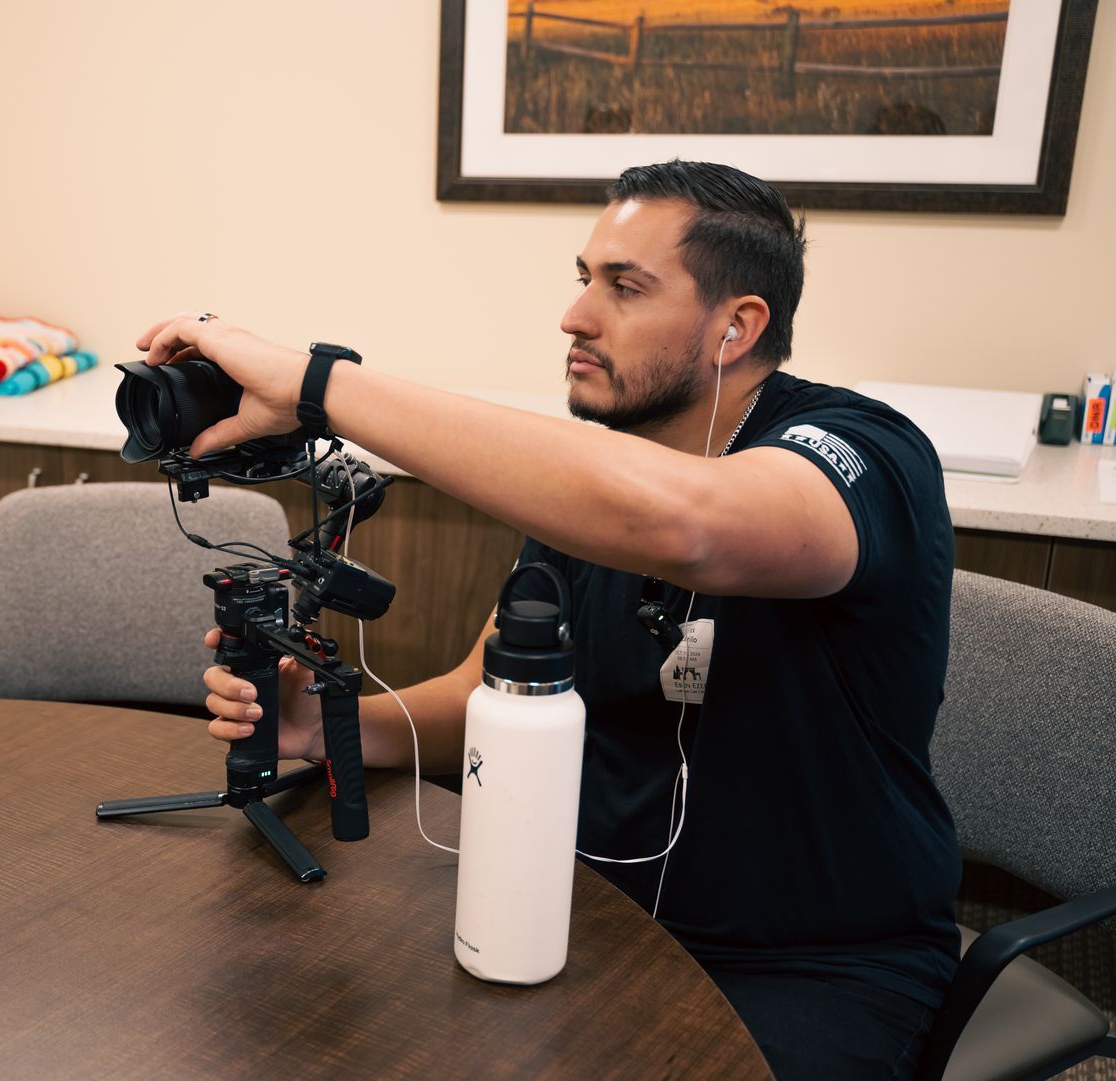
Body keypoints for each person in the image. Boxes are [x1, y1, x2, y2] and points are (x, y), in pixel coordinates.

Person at [144, 161, 959, 1080]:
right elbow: (482, 691)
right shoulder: (597, 478)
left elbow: (686, 522)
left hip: (807, 964)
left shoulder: (866, 451)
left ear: (738, 325)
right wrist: (328, 726)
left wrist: (315, 383)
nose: (575, 315)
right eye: (583, 278)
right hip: (586, 916)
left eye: (625, 287)